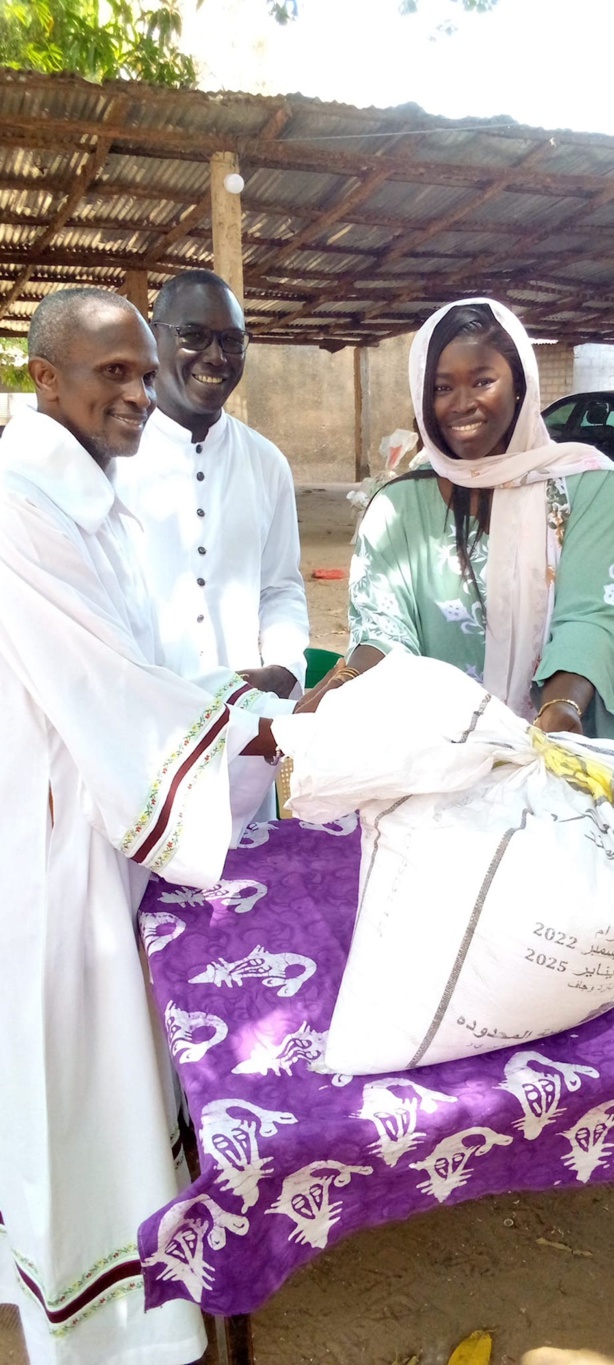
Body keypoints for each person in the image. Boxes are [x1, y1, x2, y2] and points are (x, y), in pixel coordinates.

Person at [0, 287, 297, 1365]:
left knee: (113, 1081)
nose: (136, 393)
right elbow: (114, 696)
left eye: (138, 373)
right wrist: (272, 744)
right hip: (58, 845)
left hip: (102, 822)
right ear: (46, 376)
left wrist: (252, 699)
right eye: (111, 373)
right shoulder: (23, 505)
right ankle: (104, 1329)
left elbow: (152, 672)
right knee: (75, 1080)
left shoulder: (90, 494)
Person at [332, 297, 614, 737]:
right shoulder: (398, 505)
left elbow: (590, 615)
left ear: (520, 385)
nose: (461, 404)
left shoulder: (588, 486)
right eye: (442, 388)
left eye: (483, 381)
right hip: (435, 749)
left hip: (563, 747)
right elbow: (383, 626)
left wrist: (561, 710)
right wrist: (347, 682)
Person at [114, 268, 309, 700]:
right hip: (141, 712)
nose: (216, 356)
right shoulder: (113, 460)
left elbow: (279, 587)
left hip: (246, 716)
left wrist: (283, 667)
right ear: (154, 339)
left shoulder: (266, 462)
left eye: (231, 340)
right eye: (194, 335)